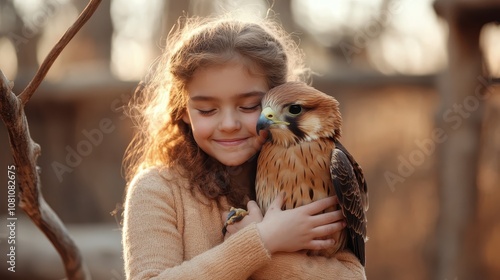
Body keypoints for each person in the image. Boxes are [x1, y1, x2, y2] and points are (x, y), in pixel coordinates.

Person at [121, 12, 366, 280]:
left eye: (250, 106)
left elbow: (352, 275)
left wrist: (265, 249)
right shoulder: (158, 190)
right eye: (206, 109)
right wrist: (261, 240)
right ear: (183, 112)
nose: (228, 124)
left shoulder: (330, 166)